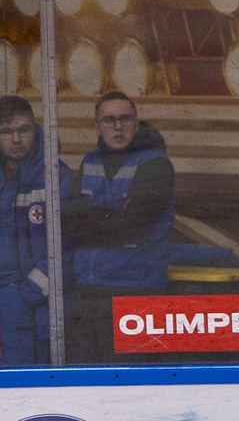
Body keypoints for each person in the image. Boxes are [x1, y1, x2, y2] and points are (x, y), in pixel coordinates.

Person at [62, 93, 173, 365]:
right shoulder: (90, 162)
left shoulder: (156, 164)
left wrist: (91, 219)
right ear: (97, 127)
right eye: (109, 120)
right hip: (88, 287)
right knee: (83, 379)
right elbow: (68, 222)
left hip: (136, 288)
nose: (118, 126)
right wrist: (112, 216)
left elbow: (133, 225)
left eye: (125, 118)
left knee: (128, 383)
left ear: (136, 123)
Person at [0, 96, 68, 366]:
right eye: (6, 132)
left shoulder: (56, 176)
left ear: (35, 128)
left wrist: (25, 293)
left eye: (24, 130)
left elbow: (67, 244)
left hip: (36, 307)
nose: (16, 139)